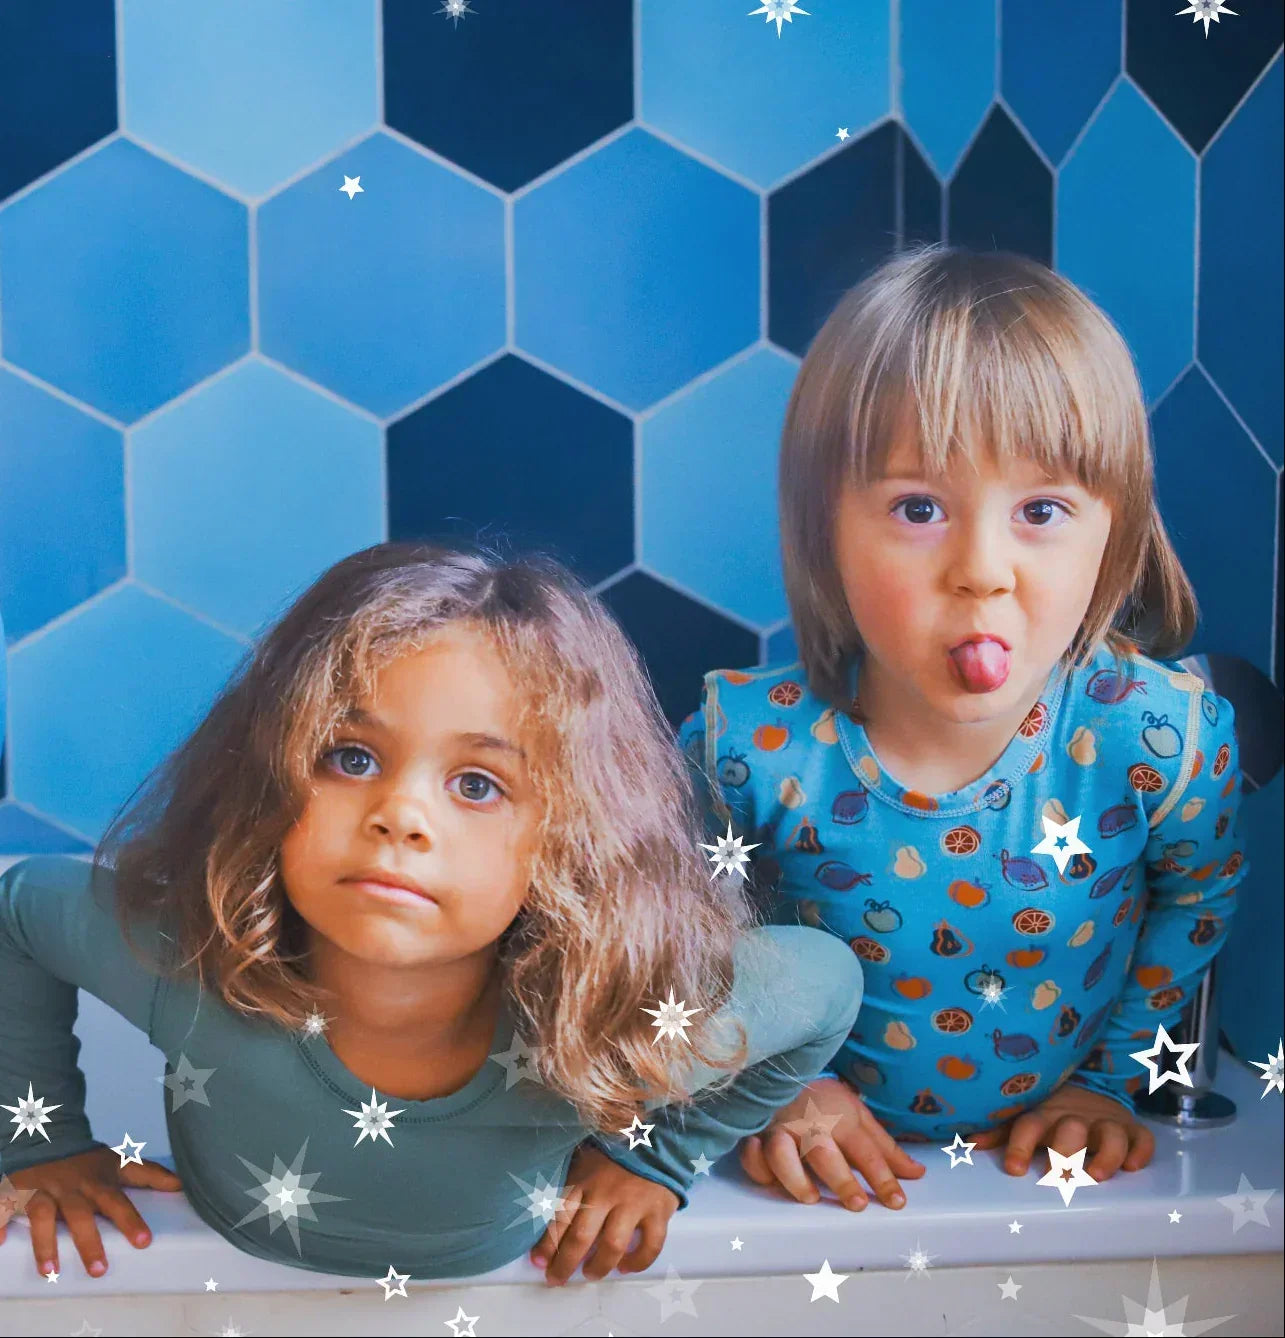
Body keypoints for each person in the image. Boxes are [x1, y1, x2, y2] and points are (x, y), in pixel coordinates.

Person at [0, 543, 864, 1285]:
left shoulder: (608, 1020)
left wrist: (654, 1158)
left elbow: (825, 982)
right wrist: (37, 1145)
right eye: (349, 756)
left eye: (477, 785)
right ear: (268, 774)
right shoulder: (187, 965)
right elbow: (15, 910)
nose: (401, 815)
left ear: (571, 843)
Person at [678, 245, 1247, 1214]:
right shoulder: (746, 747)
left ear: (1115, 525)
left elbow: (1196, 897)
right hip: (822, 1178)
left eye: (1040, 509)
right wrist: (773, 1084)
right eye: (917, 507)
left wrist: (1106, 1081)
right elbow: (673, 935)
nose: (980, 570)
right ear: (825, 529)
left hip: (1038, 1164)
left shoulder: (1161, 739)